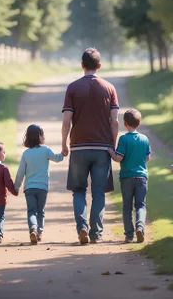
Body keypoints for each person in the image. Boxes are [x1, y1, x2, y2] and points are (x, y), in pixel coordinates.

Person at [62, 47, 119, 244]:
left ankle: (82, 227)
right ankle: (96, 233)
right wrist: (113, 146)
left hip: (78, 147)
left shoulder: (72, 88)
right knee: (98, 192)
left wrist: (64, 144)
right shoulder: (110, 88)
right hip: (102, 148)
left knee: (78, 190)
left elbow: (66, 121)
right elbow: (114, 122)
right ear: (99, 66)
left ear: (82, 65)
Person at [14, 124, 64, 244]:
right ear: (38, 137)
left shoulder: (26, 153)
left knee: (31, 211)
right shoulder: (46, 150)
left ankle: (33, 228)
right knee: (40, 211)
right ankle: (39, 232)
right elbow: (57, 158)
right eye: (42, 134)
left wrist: (16, 187)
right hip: (42, 187)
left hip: (29, 188)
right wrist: (63, 153)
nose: (44, 137)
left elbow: (20, 172)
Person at [109, 109, 151, 243]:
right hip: (142, 178)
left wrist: (111, 152)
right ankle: (140, 226)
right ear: (139, 123)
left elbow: (119, 158)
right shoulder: (144, 139)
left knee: (127, 207)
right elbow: (148, 158)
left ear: (125, 123)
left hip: (127, 177)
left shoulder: (124, 139)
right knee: (141, 205)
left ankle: (129, 235)